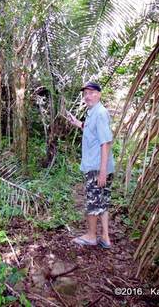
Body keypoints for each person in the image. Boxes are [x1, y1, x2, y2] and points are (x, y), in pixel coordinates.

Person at [66, 82, 115, 248]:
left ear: (99, 94)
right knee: (102, 202)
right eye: (86, 93)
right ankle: (106, 238)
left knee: (93, 203)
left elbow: (105, 143)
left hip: (97, 167)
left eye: (92, 92)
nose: (88, 96)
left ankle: (91, 236)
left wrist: (102, 171)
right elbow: (92, 131)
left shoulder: (100, 113)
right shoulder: (93, 113)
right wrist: (78, 124)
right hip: (100, 167)